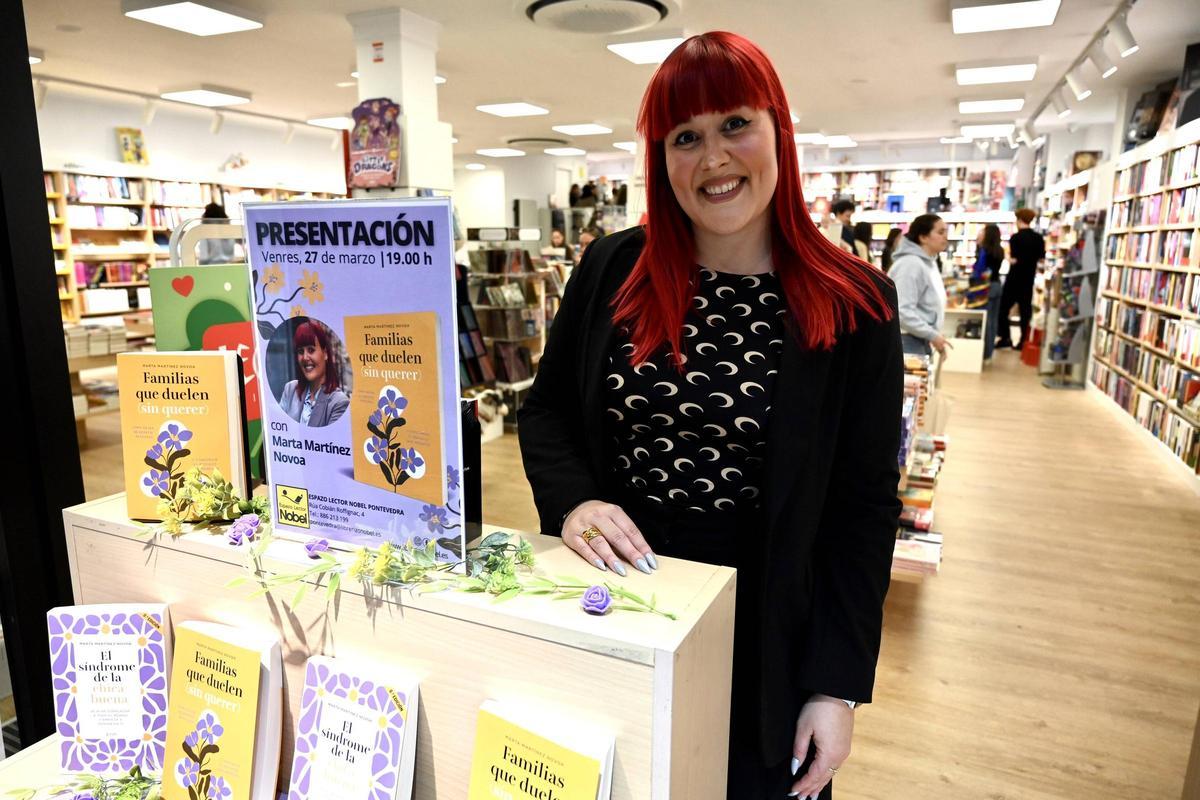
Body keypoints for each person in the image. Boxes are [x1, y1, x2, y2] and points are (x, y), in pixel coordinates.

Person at [518, 31, 902, 800]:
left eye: (735, 124)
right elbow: (549, 413)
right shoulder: (613, 268)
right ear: (662, 161)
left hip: (766, 635)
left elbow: (862, 509)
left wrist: (836, 685)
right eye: (684, 137)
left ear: (777, 130)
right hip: (615, 602)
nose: (714, 157)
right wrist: (576, 501)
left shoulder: (854, 300)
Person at [890, 213, 951, 358]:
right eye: (940, 232)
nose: (945, 237)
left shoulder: (928, 262)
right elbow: (902, 312)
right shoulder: (910, 264)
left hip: (918, 338)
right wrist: (933, 335)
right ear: (923, 237)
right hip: (907, 341)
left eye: (946, 232)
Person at [278, 320, 349, 427]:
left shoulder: (338, 402)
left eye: (311, 350)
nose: (305, 357)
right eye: (301, 351)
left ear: (325, 354)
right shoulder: (290, 390)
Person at [997, 207, 1044, 350]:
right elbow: (1041, 257)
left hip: (1014, 278)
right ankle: (1023, 341)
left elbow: (1014, 259)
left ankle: (1006, 337)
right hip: (1028, 279)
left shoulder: (1016, 238)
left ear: (1019, 220)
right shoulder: (1038, 238)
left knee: (1004, 308)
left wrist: (1010, 259)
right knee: (1025, 311)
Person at [974, 223, 1005, 360]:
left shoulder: (984, 250)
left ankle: (984, 352)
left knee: (985, 320)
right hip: (997, 285)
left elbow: (979, 270)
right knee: (993, 320)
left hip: (986, 287)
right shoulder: (1000, 250)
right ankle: (989, 351)